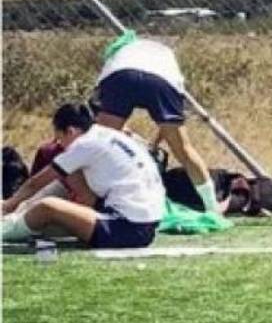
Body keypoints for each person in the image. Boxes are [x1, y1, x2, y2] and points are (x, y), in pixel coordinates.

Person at [91, 29, 221, 216]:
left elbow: (100, 113)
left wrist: (134, 138)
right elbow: (169, 121)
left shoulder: (116, 56)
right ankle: (212, 208)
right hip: (161, 80)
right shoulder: (165, 55)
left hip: (121, 76)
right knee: (183, 149)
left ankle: (96, 203)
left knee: (100, 144)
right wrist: (155, 142)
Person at [2, 102, 164, 249]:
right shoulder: (107, 134)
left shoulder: (84, 145)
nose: (60, 145)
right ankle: (19, 220)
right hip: (144, 223)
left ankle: (5, 230)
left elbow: (35, 183)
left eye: (60, 139)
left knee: (48, 207)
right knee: (68, 175)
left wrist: (9, 204)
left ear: (70, 131)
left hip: (126, 227)